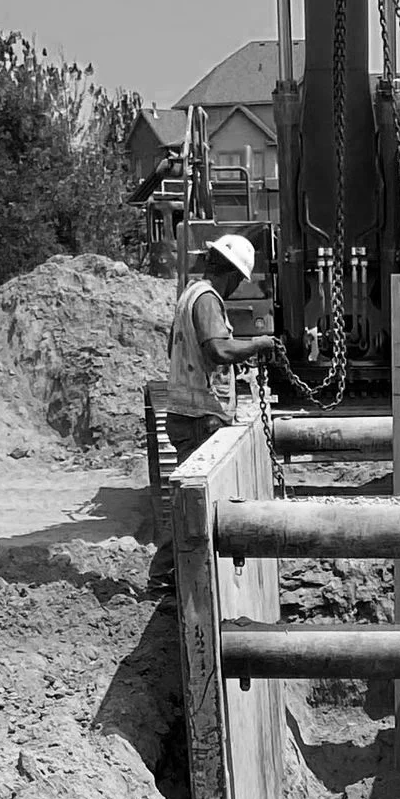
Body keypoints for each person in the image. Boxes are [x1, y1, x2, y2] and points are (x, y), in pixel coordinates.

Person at [149, 233, 276, 599]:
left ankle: (171, 577)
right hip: (199, 416)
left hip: (190, 413)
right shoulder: (207, 300)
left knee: (193, 503)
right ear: (234, 275)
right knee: (194, 506)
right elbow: (218, 349)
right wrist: (257, 344)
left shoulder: (190, 295)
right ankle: (164, 579)